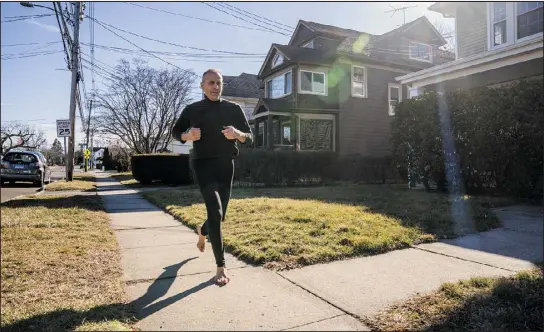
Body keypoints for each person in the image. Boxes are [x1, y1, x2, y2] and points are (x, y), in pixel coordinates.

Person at [171, 69, 253, 286]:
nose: (216, 87)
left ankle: (203, 230)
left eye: (219, 83)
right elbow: (175, 131)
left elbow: (250, 137)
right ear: (202, 86)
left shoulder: (233, 109)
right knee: (215, 212)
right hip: (202, 165)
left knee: (220, 215)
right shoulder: (192, 109)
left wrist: (237, 134)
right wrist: (187, 136)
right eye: (211, 83)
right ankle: (220, 266)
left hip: (226, 165)